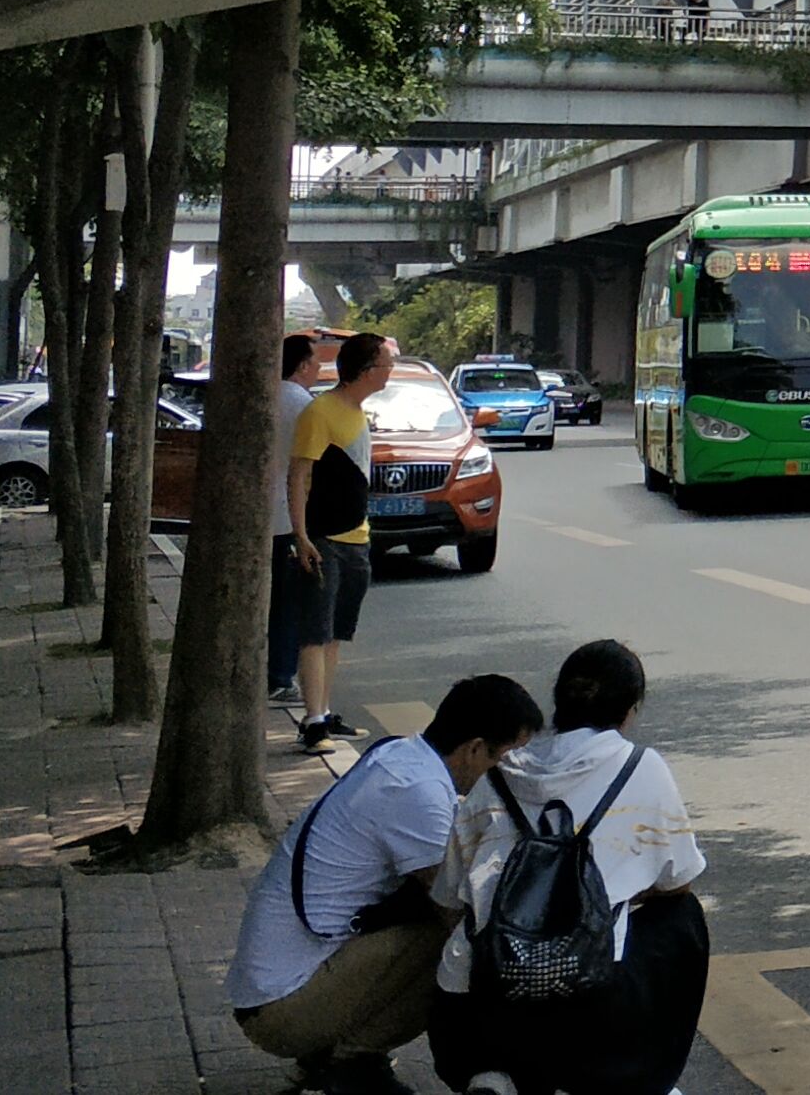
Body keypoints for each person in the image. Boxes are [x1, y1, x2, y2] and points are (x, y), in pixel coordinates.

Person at [229, 673, 543, 1095]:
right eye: (506, 757)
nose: (509, 773)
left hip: (275, 986)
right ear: (474, 749)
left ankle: (339, 1053)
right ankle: (349, 1060)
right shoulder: (417, 791)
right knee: (455, 945)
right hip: (280, 1010)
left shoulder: (402, 755)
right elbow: (457, 913)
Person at [430, 641, 710, 1095]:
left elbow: (447, 898)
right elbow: (679, 880)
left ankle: (493, 1072)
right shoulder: (641, 767)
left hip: (474, 1008)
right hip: (593, 1008)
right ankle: (637, 1075)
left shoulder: (498, 776)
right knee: (681, 916)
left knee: (468, 929)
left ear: (557, 702)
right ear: (630, 711)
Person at [286, 333, 394, 750]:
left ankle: (324, 712)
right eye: (386, 365)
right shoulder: (320, 412)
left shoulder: (357, 413)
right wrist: (301, 536)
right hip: (324, 539)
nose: (389, 372)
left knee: (336, 633)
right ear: (367, 372)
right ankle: (312, 721)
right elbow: (299, 475)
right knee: (316, 629)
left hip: (356, 539)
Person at [270, 332, 325, 710]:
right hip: (289, 517)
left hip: (263, 513)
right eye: (316, 360)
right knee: (290, 603)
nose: (320, 366)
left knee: (273, 600)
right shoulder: (305, 406)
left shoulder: (265, 395)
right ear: (303, 365)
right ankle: (280, 676)